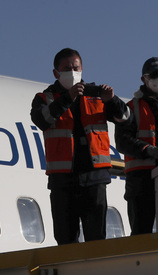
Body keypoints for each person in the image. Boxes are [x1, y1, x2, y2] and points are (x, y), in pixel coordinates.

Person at [30, 47, 130, 244]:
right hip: (63, 180)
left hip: (94, 177)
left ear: (82, 69)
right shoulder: (45, 98)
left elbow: (125, 118)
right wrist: (68, 98)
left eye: (76, 68)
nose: (73, 73)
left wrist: (113, 101)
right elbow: (42, 120)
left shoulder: (95, 95)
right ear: (56, 73)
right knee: (65, 238)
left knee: (96, 238)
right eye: (67, 68)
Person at [115, 57, 158, 235]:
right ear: (144, 79)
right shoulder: (131, 108)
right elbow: (122, 141)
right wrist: (150, 151)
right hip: (141, 180)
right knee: (141, 231)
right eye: (155, 75)